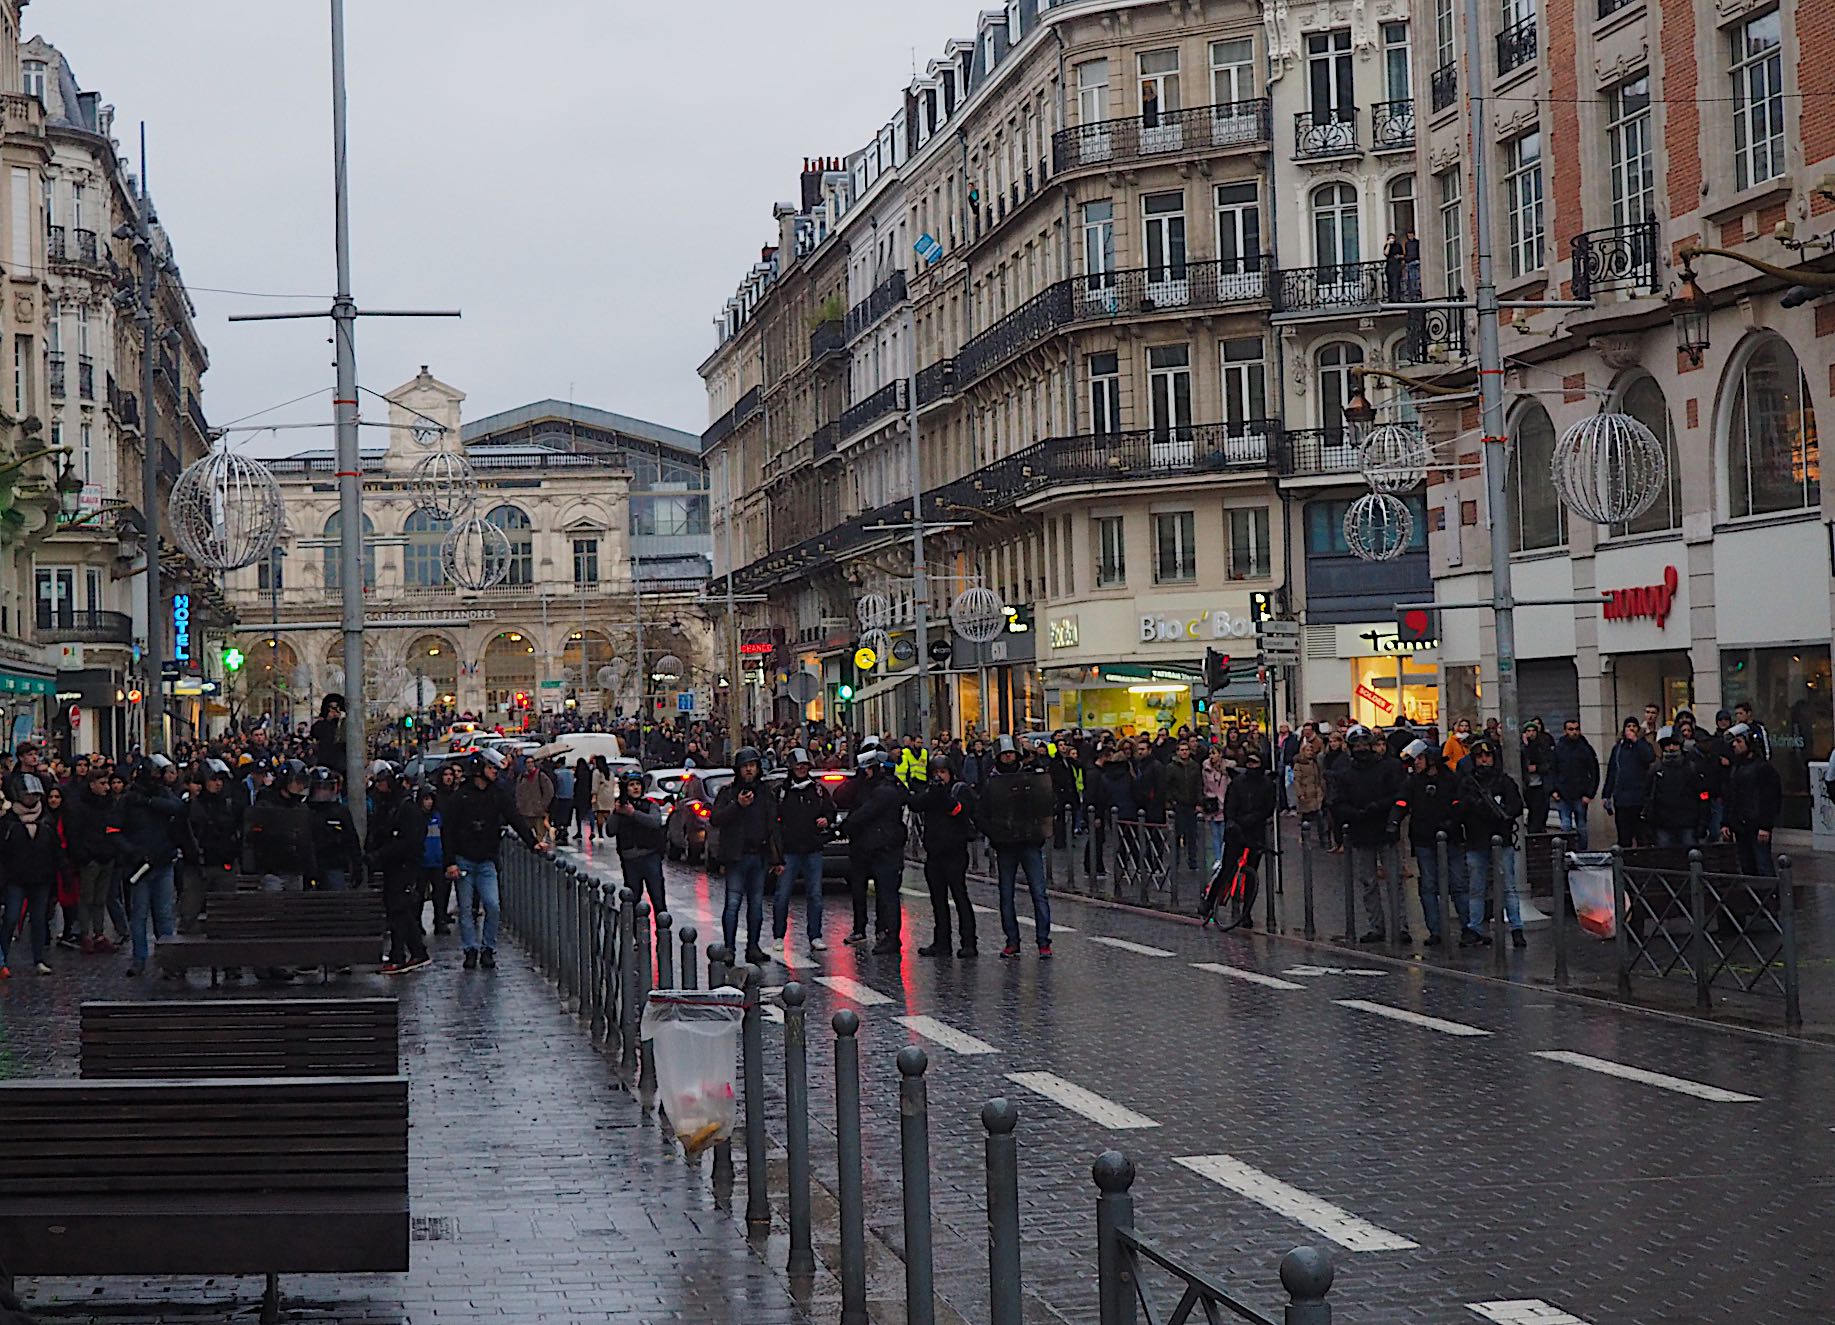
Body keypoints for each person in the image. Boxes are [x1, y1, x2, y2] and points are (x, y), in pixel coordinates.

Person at [443, 747, 545, 969]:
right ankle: (470, 949)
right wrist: (450, 861)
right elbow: (448, 830)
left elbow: (514, 817)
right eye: (491, 768)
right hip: (464, 858)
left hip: (487, 858)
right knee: (466, 908)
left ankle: (488, 947)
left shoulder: (497, 794)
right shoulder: (460, 797)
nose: (495, 772)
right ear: (480, 769)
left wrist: (532, 841)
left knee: (493, 905)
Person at [981, 735, 1055, 960]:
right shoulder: (991, 783)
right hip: (1006, 845)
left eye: (1011, 754)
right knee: (1006, 895)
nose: (1008, 757)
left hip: (1030, 842)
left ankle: (1044, 941)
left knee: (1039, 893)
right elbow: (983, 813)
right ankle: (1012, 941)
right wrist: (994, 834)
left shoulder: (1031, 777)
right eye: (1004, 755)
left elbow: (1046, 803)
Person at [1330, 726, 1406, 943]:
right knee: (1368, 882)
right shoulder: (1345, 774)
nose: (1362, 748)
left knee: (1394, 881)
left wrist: (1386, 812)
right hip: (1361, 832)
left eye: (1365, 744)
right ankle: (1376, 926)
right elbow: (1337, 803)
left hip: (1386, 830)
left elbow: (1400, 796)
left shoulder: (1388, 767)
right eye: (1357, 745)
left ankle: (1400, 926)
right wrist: (1354, 814)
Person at [709, 746, 780, 966]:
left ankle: (753, 946)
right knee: (733, 903)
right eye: (745, 766)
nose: (749, 770)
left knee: (756, 906)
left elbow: (773, 825)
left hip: (759, 855)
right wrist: (737, 806)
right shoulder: (728, 793)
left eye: (752, 766)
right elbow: (716, 819)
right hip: (736, 857)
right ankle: (729, 947)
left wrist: (777, 858)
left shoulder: (766, 792)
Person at [120, 756, 188, 978]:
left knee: (164, 914)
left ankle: (167, 959)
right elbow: (113, 830)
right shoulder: (129, 800)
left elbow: (177, 809)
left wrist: (150, 803)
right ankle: (140, 958)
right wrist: (133, 852)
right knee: (140, 914)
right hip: (140, 865)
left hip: (162, 860)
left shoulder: (160, 796)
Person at [1392, 740, 1465, 946]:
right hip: (1424, 839)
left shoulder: (1451, 779)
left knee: (1458, 884)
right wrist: (1394, 819)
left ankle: (1468, 928)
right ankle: (1435, 930)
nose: (1416, 763)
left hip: (1450, 839)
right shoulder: (1413, 781)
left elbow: (1460, 803)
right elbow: (1402, 801)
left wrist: (1452, 821)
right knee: (1428, 885)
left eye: (1420, 759)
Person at [1457, 738, 1527, 947]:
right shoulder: (1468, 783)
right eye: (1479, 757)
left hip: (1501, 840)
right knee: (1476, 888)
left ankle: (1516, 928)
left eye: (1487, 756)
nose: (1484, 760)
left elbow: (1515, 806)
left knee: (1508, 887)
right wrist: (1474, 806)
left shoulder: (1503, 781)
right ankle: (1475, 928)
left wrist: (1500, 811)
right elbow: (1459, 808)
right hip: (1476, 840)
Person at [841, 748, 908, 954]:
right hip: (876, 847)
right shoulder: (884, 787)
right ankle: (886, 934)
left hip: (885, 848)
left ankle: (891, 936)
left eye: (869, 769)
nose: (866, 772)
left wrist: (844, 827)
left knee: (888, 895)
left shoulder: (884, 791)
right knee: (884, 893)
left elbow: (864, 814)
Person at [366, 763, 432, 974]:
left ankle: (400, 954)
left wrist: (381, 853)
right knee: (399, 910)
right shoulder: (389, 803)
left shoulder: (404, 807)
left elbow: (408, 841)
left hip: (403, 865)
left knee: (398, 909)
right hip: (394, 865)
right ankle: (415, 951)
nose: (380, 786)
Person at [0, 774, 66, 977]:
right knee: (11, 919)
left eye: (34, 795)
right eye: (27, 795)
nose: (31, 798)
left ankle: (39, 959)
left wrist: (62, 875)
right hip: (15, 878)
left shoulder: (46, 819)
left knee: (39, 920)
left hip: (41, 877)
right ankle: (3, 959)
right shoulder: (9, 822)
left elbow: (56, 850)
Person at [914, 754, 978, 957]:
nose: (939, 777)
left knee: (960, 896)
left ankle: (969, 942)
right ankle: (942, 942)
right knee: (938, 900)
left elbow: (959, 811)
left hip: (955, 852)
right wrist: (932, 792)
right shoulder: (931, 792)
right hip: (934, 853)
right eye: (935, 773)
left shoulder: (960, 790)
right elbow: (915, 804)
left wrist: (943, 795)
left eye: (942, 772)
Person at [1207, 747, 1277, 925]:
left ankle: (1246, 913)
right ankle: (1208, 903)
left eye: (1255, 762)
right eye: (1249, 762)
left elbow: (1269, 808)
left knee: (1251, 873)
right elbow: (1230, 806)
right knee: (1227, 868)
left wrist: (1254, 818)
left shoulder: (1267, 784)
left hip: (1255, 832)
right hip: (1236, 831)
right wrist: (1234, 822)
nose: (1252, 766)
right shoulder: (1237, 783)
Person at [773, 749, 833, 955]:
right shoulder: (781, 791)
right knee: (782, 895)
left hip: (812, 849)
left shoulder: (817, 790)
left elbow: (830, 811)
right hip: (789, 851)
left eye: (805, 766)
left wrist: (826, 820)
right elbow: (773, 820)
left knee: (815, 895)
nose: (801, 769)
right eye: (798, 765)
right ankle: (779, 935)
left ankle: (815, 935)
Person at [66, 764, 123, 954]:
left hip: (106, 856)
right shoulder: (81, 807)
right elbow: (74, 834)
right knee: (87, 899)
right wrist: (83, 856)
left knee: (100, 899)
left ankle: (98, 933)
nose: (107, 787)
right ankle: (86, 934)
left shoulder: (109, 805)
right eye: (103, 783)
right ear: (92, 785)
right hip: (90, 858)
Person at [185, 759, 242, 931]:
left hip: (223, 863)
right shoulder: (192, 806)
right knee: (189, 916)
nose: (218, 784)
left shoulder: (229, 804)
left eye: (220, 780)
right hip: (198, 866)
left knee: (225, 917)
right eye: (214, 779)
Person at [608, 767, 668, 919]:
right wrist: (617, 813)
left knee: (658, 898)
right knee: (632, 899)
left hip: (650, 856)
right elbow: (610, 830)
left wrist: (633, 814)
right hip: (630, 859)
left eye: (637, 784)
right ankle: (636, 936)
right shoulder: (620, 808)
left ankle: (662, 933)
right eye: (631, 785)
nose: (635, 788)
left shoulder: (649, 805)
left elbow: (655, 822)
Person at [1723, 724, 1781, 876]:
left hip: (1756, 826)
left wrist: (1765, 826)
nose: (1735, 745)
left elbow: (1770, 799)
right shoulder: (1736, 767)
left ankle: (1770, 896)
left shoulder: (1763, 768)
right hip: (1740, 826)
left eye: (1739, 741)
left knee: (1763, 865)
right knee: (1746, 866)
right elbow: (1730, 796)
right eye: (1733, 742)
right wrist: (1726, 822)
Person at [1644, 728, 1709, 848]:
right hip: (1663, 824)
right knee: (1667, 859)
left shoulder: (1691, 768)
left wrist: (1702, 823)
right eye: (1668, 745)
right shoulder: (1656, 770)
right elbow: (1648, 796)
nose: (1672, 748)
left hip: (1688, 823)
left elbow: (1703, 795)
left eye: (1674, 744)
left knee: (1691, 856)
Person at [306, 767, 362, 890]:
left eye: (326, 788)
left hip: (334, 865)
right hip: (307, 866)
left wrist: (357, 867)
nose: (322, 792)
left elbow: (352, 840)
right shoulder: (305, 810)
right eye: (319, 788)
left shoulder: (340, 812)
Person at [1603, 717, 1655, 848]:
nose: (1631, 729)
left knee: (1641, 835)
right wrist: (1606, 794)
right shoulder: (1618, 749)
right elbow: (1612, 771)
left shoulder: (1643, 745)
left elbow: (1649, 757)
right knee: (1624, 836)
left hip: (1638, 798)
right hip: (1621, 798)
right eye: (1628, 726)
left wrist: (1636, 742)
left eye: (1634, 726)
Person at [1550, 718, 1600, 850]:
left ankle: (1582, 853)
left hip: (1581, 794)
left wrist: (1589, 794)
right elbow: (1552, 770)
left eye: (1576, 729)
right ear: (1565, 731)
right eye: (1571, 729)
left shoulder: (1585, 749)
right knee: (1565, 826)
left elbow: (1594, 772)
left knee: (1581, 827)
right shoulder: (1559, 748)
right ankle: (1566, 853)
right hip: (1563, 794)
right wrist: (1554, 790)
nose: (1574, 732)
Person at [1164, 738, 1204, 872]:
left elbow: (1199, 785)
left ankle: (1193, 861)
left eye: (1186, 750)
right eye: (1182, 750)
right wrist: (1171, 801)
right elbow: (1167, 786)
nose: (1184, 752)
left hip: (1191, 804)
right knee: (1176, 835)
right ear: (1177, 752)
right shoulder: (1171, 767)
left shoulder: (1195, 766)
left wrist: (1199, 802)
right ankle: (1175, 862)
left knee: (1192, 836)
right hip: (1178, 805)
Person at [1519, 718, 1555, 835]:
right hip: (1528, 784)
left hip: (1541, 783)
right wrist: (1525, 746)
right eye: (1528, 731)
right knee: (1532, 809)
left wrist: (1538, 768)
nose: (1531, 733)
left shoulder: (1542, 746)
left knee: (1541, 809)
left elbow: (1549, 763)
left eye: (1533, 730)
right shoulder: (1521, 748)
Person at [1201, 743, 1232, 866]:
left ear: (1220, 754)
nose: (1211, 756)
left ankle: (1225, 857)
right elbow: (1204, 785)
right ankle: (1218, 858)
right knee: (1215, 834)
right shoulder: (1206, 769)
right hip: (1212, 804)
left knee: (1225, 834)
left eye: (1214, 753)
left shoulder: (1228, 769)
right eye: (1210, 753)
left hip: (1225, 804)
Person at [310, 693, 347, 773]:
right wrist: (328, 720)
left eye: (336, 707)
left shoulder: (345, 723)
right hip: (325, 761)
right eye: (331, 707)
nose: (334, 710)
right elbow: (315, 733)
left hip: (342, 763)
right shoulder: (322, 723)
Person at [550, 758, 575, 846]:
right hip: (570, 797)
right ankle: (565, 829)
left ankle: (560, 831)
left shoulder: (556, 773)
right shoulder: (571, 773)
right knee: (567, 816)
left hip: (560, 797)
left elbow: (555, 785)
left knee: (559, 816)